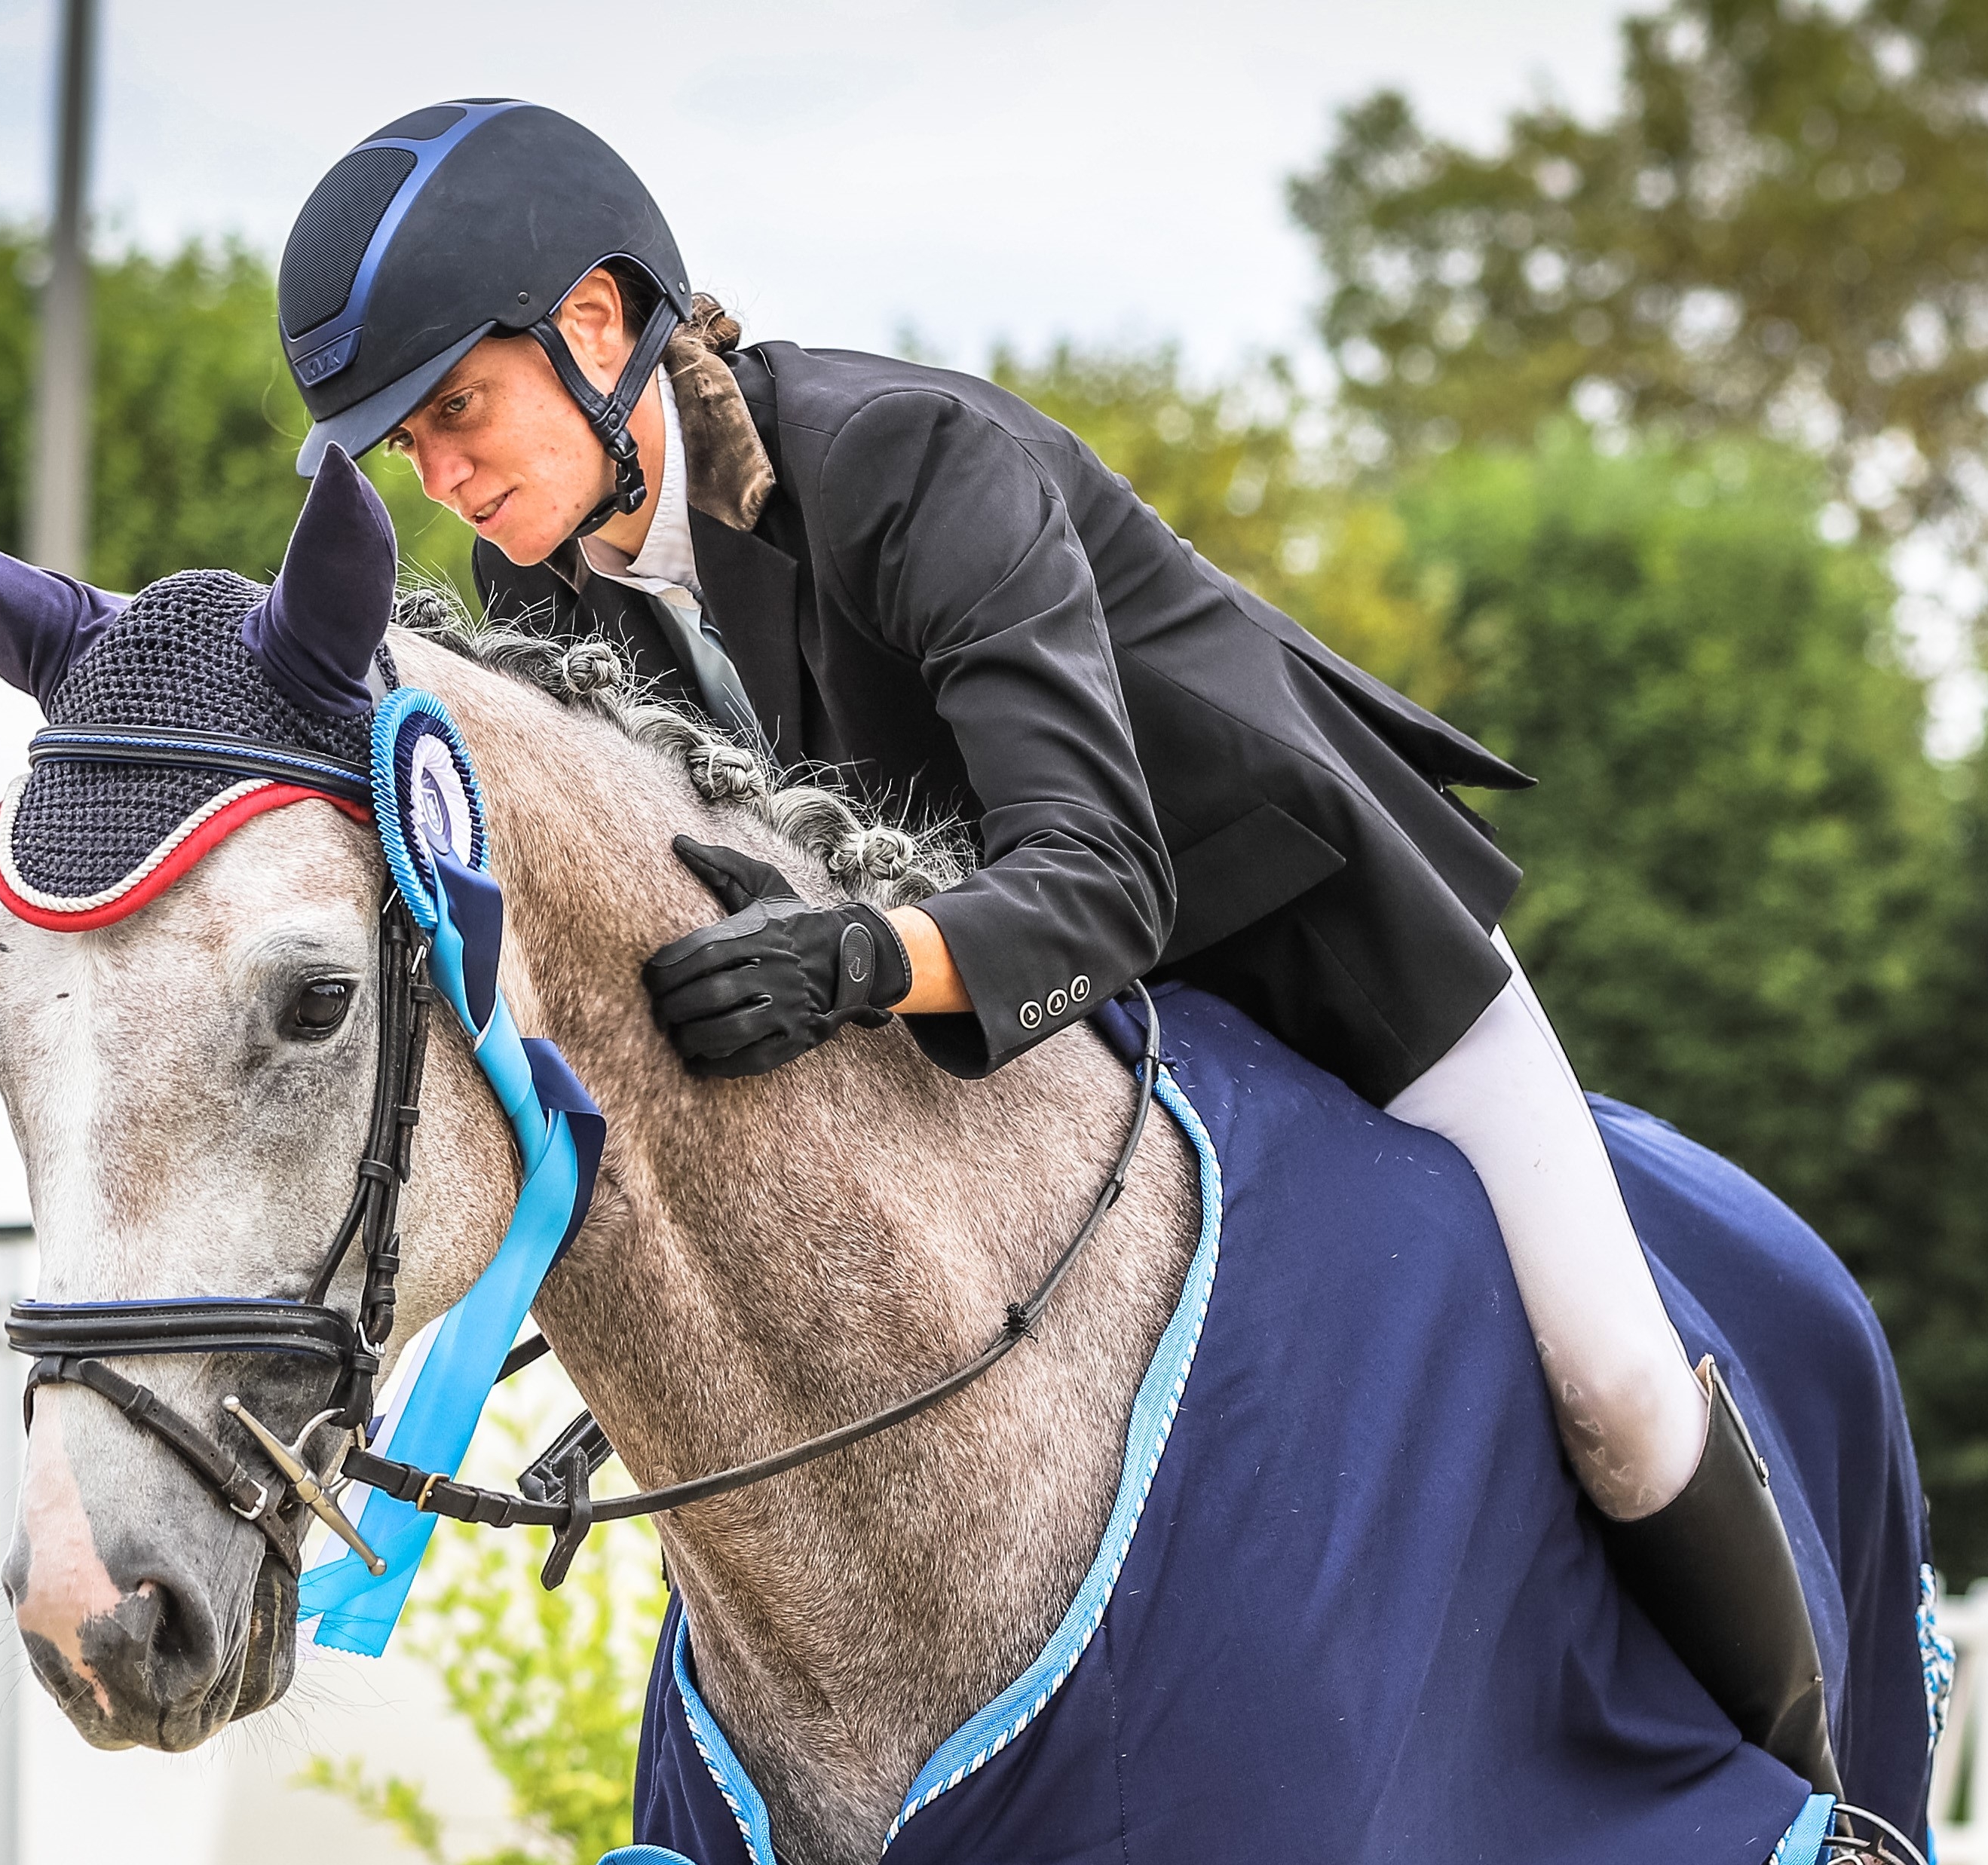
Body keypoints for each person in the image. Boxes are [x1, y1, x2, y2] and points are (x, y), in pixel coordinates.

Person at [271, 99, 1843, 1790]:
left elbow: (1098, 881)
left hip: (1301, 948)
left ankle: (1814, 1809)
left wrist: (853, 962)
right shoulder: (549, 599)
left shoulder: (909, 461)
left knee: (1613, 1381)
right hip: (1026, 1060)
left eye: (453, 412)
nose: (435, 476)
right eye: (399, 452)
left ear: (591, 326)